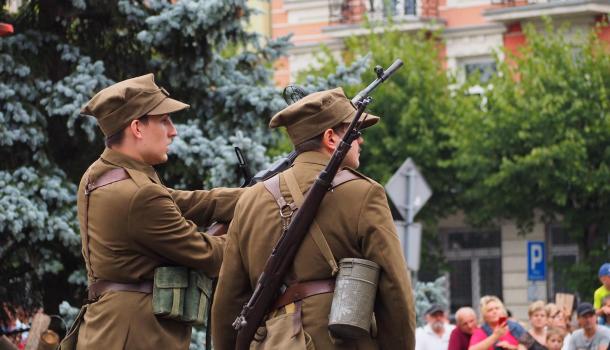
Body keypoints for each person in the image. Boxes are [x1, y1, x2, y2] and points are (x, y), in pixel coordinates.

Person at [211, 87, 416, 349]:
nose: (361, 141)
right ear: (331, 138)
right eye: (355, 133)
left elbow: (228, 303)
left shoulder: (249, 201)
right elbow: (395, 291)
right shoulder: (364, 193)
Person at [74, 74, 243, 349]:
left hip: (109, 329)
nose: (173, 131)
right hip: (138, 336)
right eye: (164, 120)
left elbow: (184, 202)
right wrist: (254, 231)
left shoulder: (99, 176)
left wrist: (259, 195)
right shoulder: (140, 194)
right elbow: (210, 256)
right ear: (137, 128)